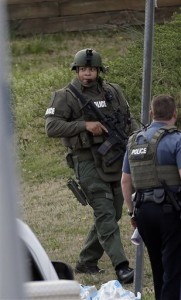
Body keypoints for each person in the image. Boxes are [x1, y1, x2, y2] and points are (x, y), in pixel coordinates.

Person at [45, 48, 138, 283]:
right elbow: (51, 127)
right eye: (83, 69)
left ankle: (87, 260)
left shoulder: (113, 91)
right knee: (104, 211)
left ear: (99, 70)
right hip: (86, 160)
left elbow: (129, 119)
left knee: (115, 211)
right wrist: (84, 125)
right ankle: (122, 266)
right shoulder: (65, 96)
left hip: (115, 158)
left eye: (92, 69)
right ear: (77, 71)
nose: (87, 74)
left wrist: (137, 138)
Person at [121, 94, 181, 299]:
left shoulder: (134, 141)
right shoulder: (177, 140)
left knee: (158, 267)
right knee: (173, 269)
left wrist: (132, 213)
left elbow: (125, 181)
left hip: (143, 212)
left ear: (151, 114)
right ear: (175, 114)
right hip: (170, 211)